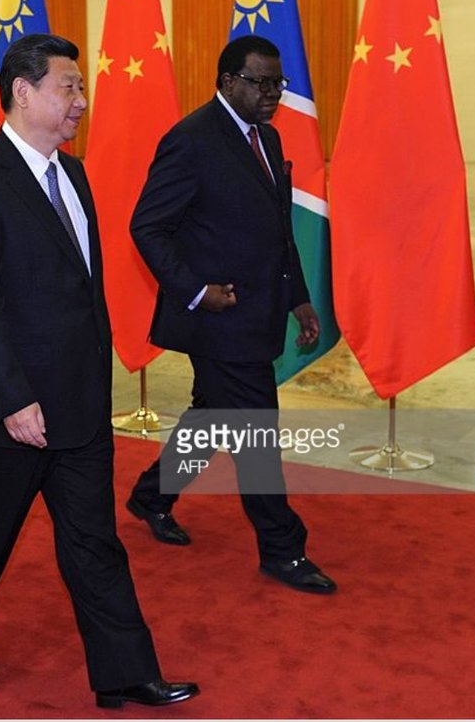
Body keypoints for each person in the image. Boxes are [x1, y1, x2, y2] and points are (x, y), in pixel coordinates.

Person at [0, 34, 198, 709]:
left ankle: (125, 671)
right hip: (13, 410)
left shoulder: (73, 174)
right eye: (69, 86)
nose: (81, 100)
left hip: (78, 404)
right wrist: (12, 399)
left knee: (94, 540)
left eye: (81, 87)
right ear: (23, 93)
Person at [124, 35, 335, 595]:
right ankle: (283, 549)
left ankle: (151, 496)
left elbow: (277, 231)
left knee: (214, 415)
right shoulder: (191, 140)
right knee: (257, 434)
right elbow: (147, 225)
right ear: (227, 82)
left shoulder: (267, 136)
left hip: (259, 310)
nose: (272, 94)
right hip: (218, 320)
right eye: (261, 83)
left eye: (277, 83)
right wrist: (197, 291)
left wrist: (299, 298)